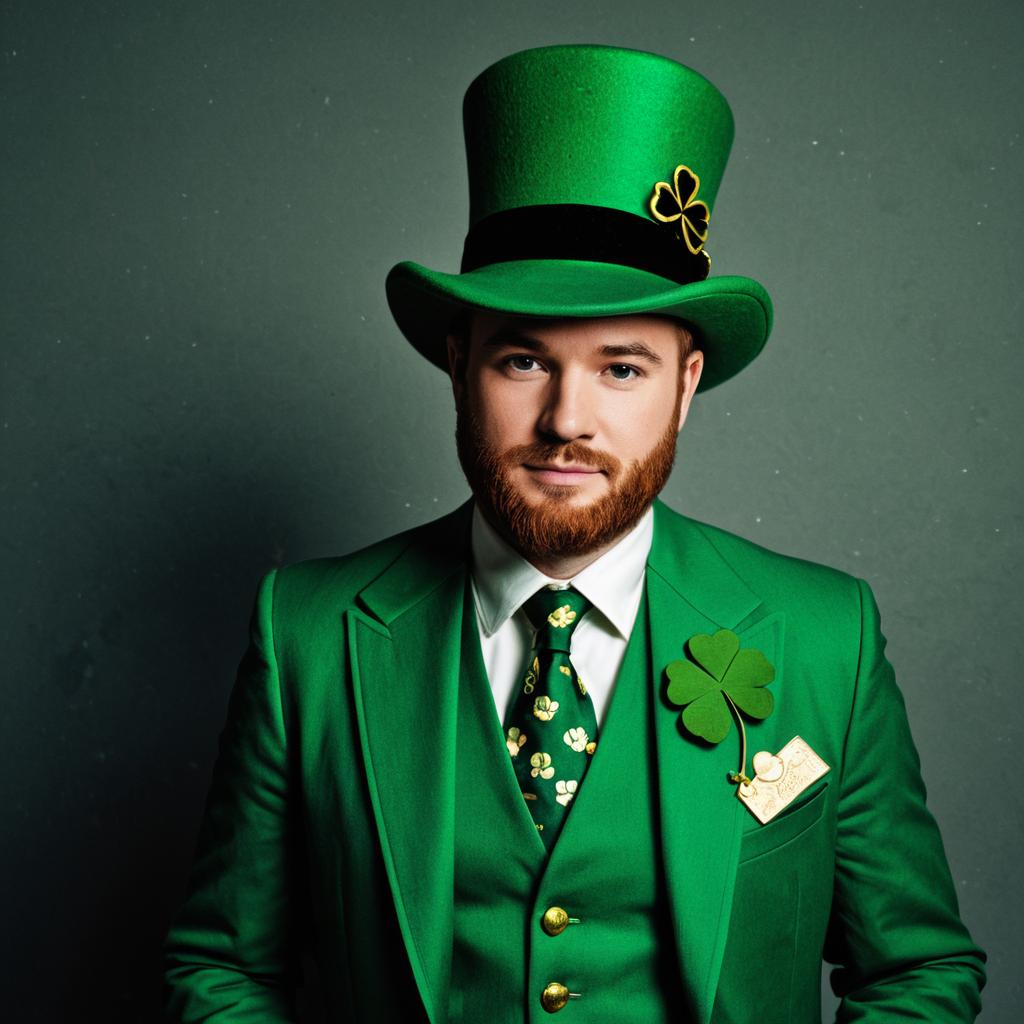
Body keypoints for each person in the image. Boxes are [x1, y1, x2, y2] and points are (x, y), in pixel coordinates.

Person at [163, 44, 985, 1022]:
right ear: (456, 364)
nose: (566, 420)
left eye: (622, 368)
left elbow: (916, 972)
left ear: (684, 386)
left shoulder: (823, 636)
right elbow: (222, 968)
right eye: (522, 360)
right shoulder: (305, 631)